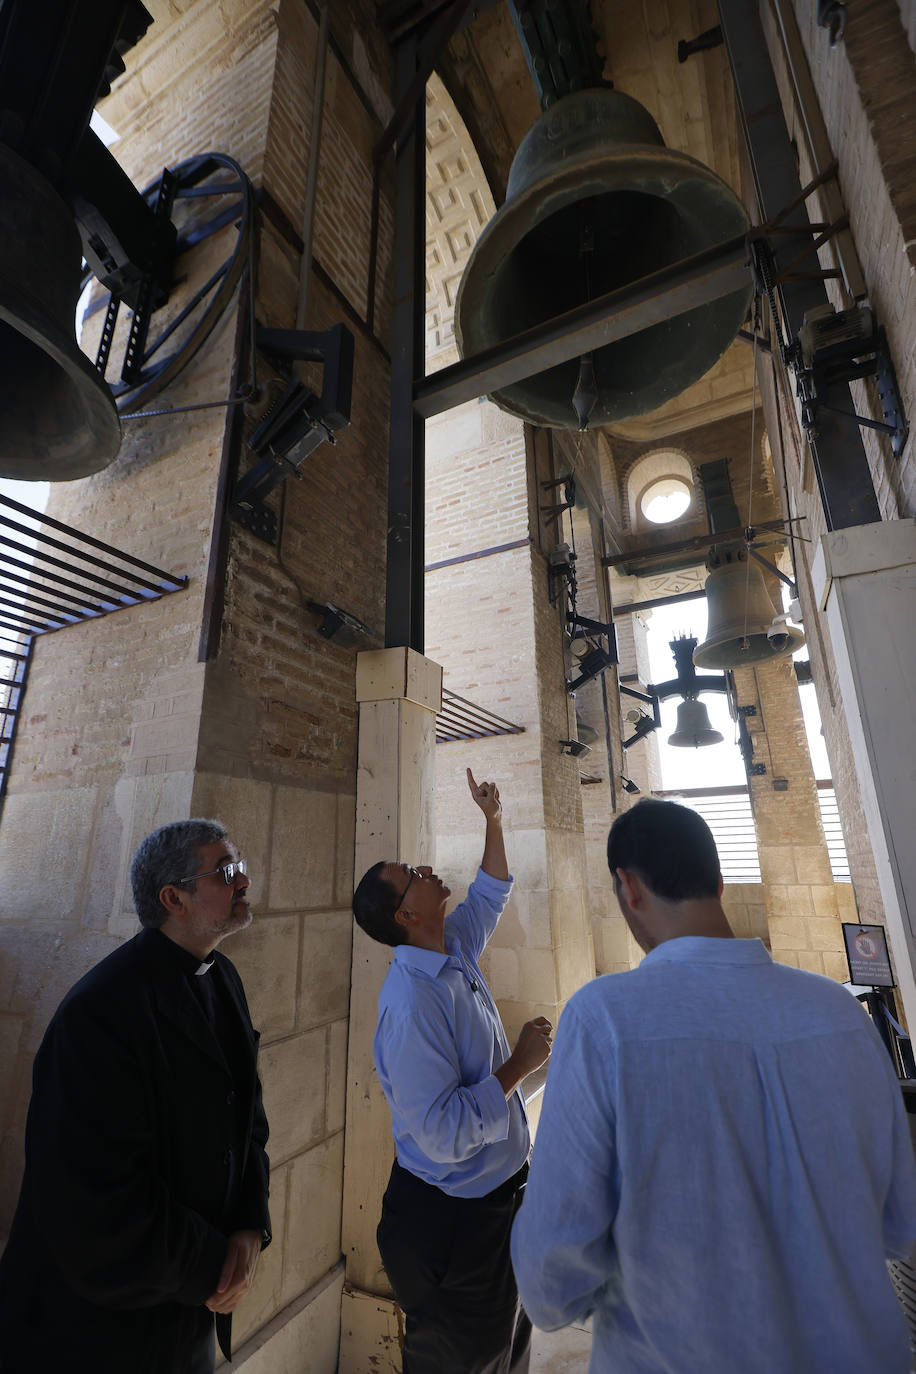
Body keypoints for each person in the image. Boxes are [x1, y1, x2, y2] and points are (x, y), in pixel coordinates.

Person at [511, 797, 916, 1373]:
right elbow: (897, 1223)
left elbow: (551, 1277)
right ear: (719, 884)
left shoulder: (606, 1019)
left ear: (628, 886)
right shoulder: (838, 1012)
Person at [0, 818, 271, 1374]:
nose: (243, 881)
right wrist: (218, 1262)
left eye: (239, 867)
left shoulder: (223, 978)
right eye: (226, 871)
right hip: (96, 1328)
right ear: (174, 897)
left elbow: (246, 1120)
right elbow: (96, 1198)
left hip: (187, 1308)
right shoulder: (101, 1011)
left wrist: (249, 1223)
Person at [352, 768, 552, 1374]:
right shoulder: (412, 1004)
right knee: (462, 1359)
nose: (424, 870)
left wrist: (491, 819)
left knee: (506, 1346)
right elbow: (440, 1132)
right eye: (411, 877)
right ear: (405, 916)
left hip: (495, 1204)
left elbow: (490, 891)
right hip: (453, 1224)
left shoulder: (452, 948)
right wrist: (520, 1064)